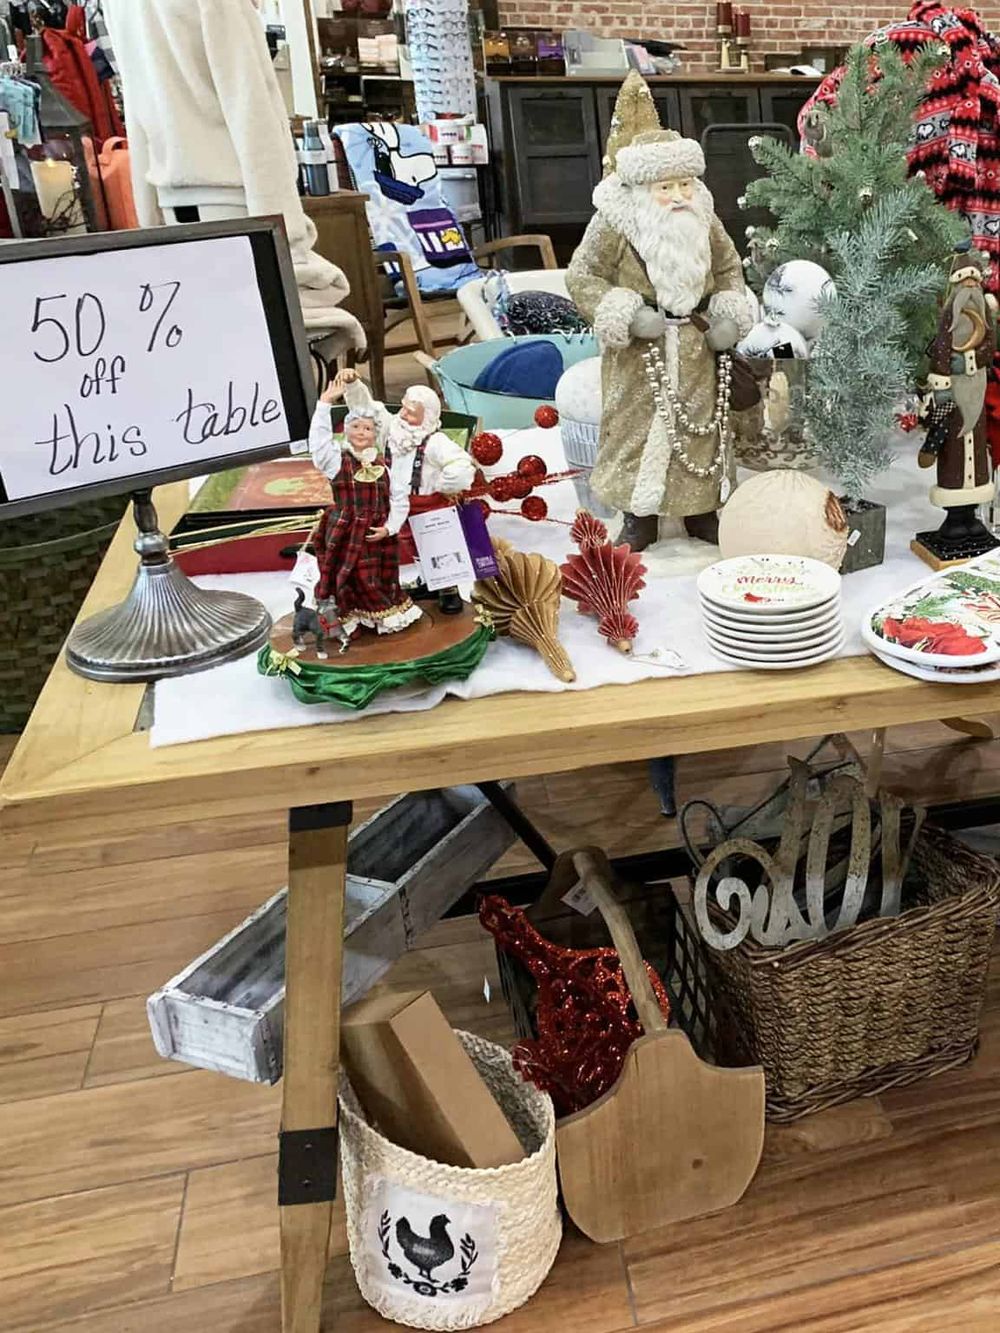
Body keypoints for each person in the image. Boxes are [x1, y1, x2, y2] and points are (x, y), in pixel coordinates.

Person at [566, 128, 753, 551]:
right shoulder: (614, 219)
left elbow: (728, 267)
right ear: (643, 185)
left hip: (697, 345)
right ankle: (639, 516)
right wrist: (626, 314)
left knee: (702, 430)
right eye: (666, 187)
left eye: (684, 184)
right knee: (636, 429)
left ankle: (702, 509)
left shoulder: (703, 213)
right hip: (640, 354)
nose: (678, 196)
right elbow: (582, 276)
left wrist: (728, 311)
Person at [341, 372, 476, 614]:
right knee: (410, 545)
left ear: (427, 416)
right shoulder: (391, 429)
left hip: (429, 504)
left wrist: (444, 485)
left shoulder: (436, 442)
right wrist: (353, 385)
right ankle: (428, 581)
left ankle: (448, 589)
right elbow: (365, 408)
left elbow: (462, 466)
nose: (403, 415)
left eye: (411, 413)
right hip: (398, 504)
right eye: (403, 408)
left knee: (437, 547)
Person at [306, 370, 422, 637]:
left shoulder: (386, 465)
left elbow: (398, 499)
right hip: (344, 530)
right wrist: (324, 404)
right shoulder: (337, 460)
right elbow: (319, 444)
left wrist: (390, 528)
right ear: (346, 430)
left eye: (367, 428)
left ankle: (378, 615)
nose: (361, 432)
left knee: (375, 578)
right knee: (342, 575)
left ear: (375, 434)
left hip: (375, 535)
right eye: (356, 427)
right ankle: (346, 617)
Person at [917, 244, 1000, 559]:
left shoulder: (984, 314)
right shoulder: (948, 314)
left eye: (974, 282)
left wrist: (970, 362)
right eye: (964, 282)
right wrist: (949, 371)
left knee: (976, 451)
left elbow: (988, 346)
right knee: (953, 449)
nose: (970, 287)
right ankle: (955, 519)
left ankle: (971, 517)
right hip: (951, 391)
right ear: (955, 283)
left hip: (975, 387)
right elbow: (941, 349)